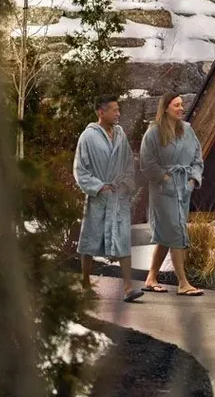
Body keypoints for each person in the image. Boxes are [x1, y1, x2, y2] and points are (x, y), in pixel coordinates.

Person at [73, 95, 143, 303]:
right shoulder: (87, 137)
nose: (118, 114)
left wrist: (126, 183)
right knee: (89, 240)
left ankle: (129, 288)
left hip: (118, 196)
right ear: (100, 112)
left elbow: (128, 162)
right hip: (99, 197)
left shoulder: (120, 135)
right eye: (114, 110)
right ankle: (85, 284)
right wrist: (97, 186)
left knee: (123, 239)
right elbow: (79, 169)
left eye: (119, 110)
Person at [140, 93, 206, 297]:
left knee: (166, 235)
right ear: (165, 108)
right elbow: (147, 162)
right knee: (175, 230)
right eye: (176, 105)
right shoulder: (153, 133)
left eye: (182, 104)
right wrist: (165, 178)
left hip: (183, 188)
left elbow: (197, 157)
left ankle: (151, 279)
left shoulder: (187, 130)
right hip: (163, 190)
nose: (181, 108)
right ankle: (183, 283)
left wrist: (193, 179)